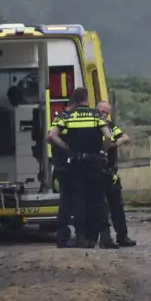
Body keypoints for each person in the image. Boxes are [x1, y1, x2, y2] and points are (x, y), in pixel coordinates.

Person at [47, 88, 117, 249]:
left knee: (79, 200)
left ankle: (81, 238)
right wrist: (102, 151)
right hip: (95, 162)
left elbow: (51, 136)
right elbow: (108, 136)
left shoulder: (66, 115)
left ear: (75, 101)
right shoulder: (96, 114)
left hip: (76, 163)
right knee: (98, 201)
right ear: (87, 99)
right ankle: (104, 238)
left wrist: (67, 149)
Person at [96, 100, 137, 247]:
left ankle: (122, 236)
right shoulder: (95, 125)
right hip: (98, 171)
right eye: (102, 111)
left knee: (117, 207)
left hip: (111, 171)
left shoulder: (110, 125)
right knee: (101, 208)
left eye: (107, 112)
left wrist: (115, 143)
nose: (104, 114)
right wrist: (114, 143)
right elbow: (105, 145)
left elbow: (125, 138)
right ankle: (104, 238)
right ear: (96, 110)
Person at [49, 99, 79, 248]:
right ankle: (64, 238)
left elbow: (50, 139)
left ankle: (65, 237)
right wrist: (67, 148)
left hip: (62, 165)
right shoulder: (65, 119)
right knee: (68, 203)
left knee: (67, 203)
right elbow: (51, 137)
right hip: (66, 165)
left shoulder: (59, 119)